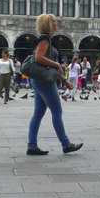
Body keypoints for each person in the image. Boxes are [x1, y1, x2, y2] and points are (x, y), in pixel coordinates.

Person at [26, 14, 82, 155]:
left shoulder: (48, 39)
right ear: (48, 24)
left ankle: (32, 145)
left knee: (38, 113)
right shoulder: (44, 38)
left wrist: (63, 79)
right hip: (44, 81)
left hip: (40, 79)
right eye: (54, 21)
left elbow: (47, 65)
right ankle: (66, 144)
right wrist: (57, 64)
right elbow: (39, 58)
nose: (57, 23)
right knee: (57, 111)